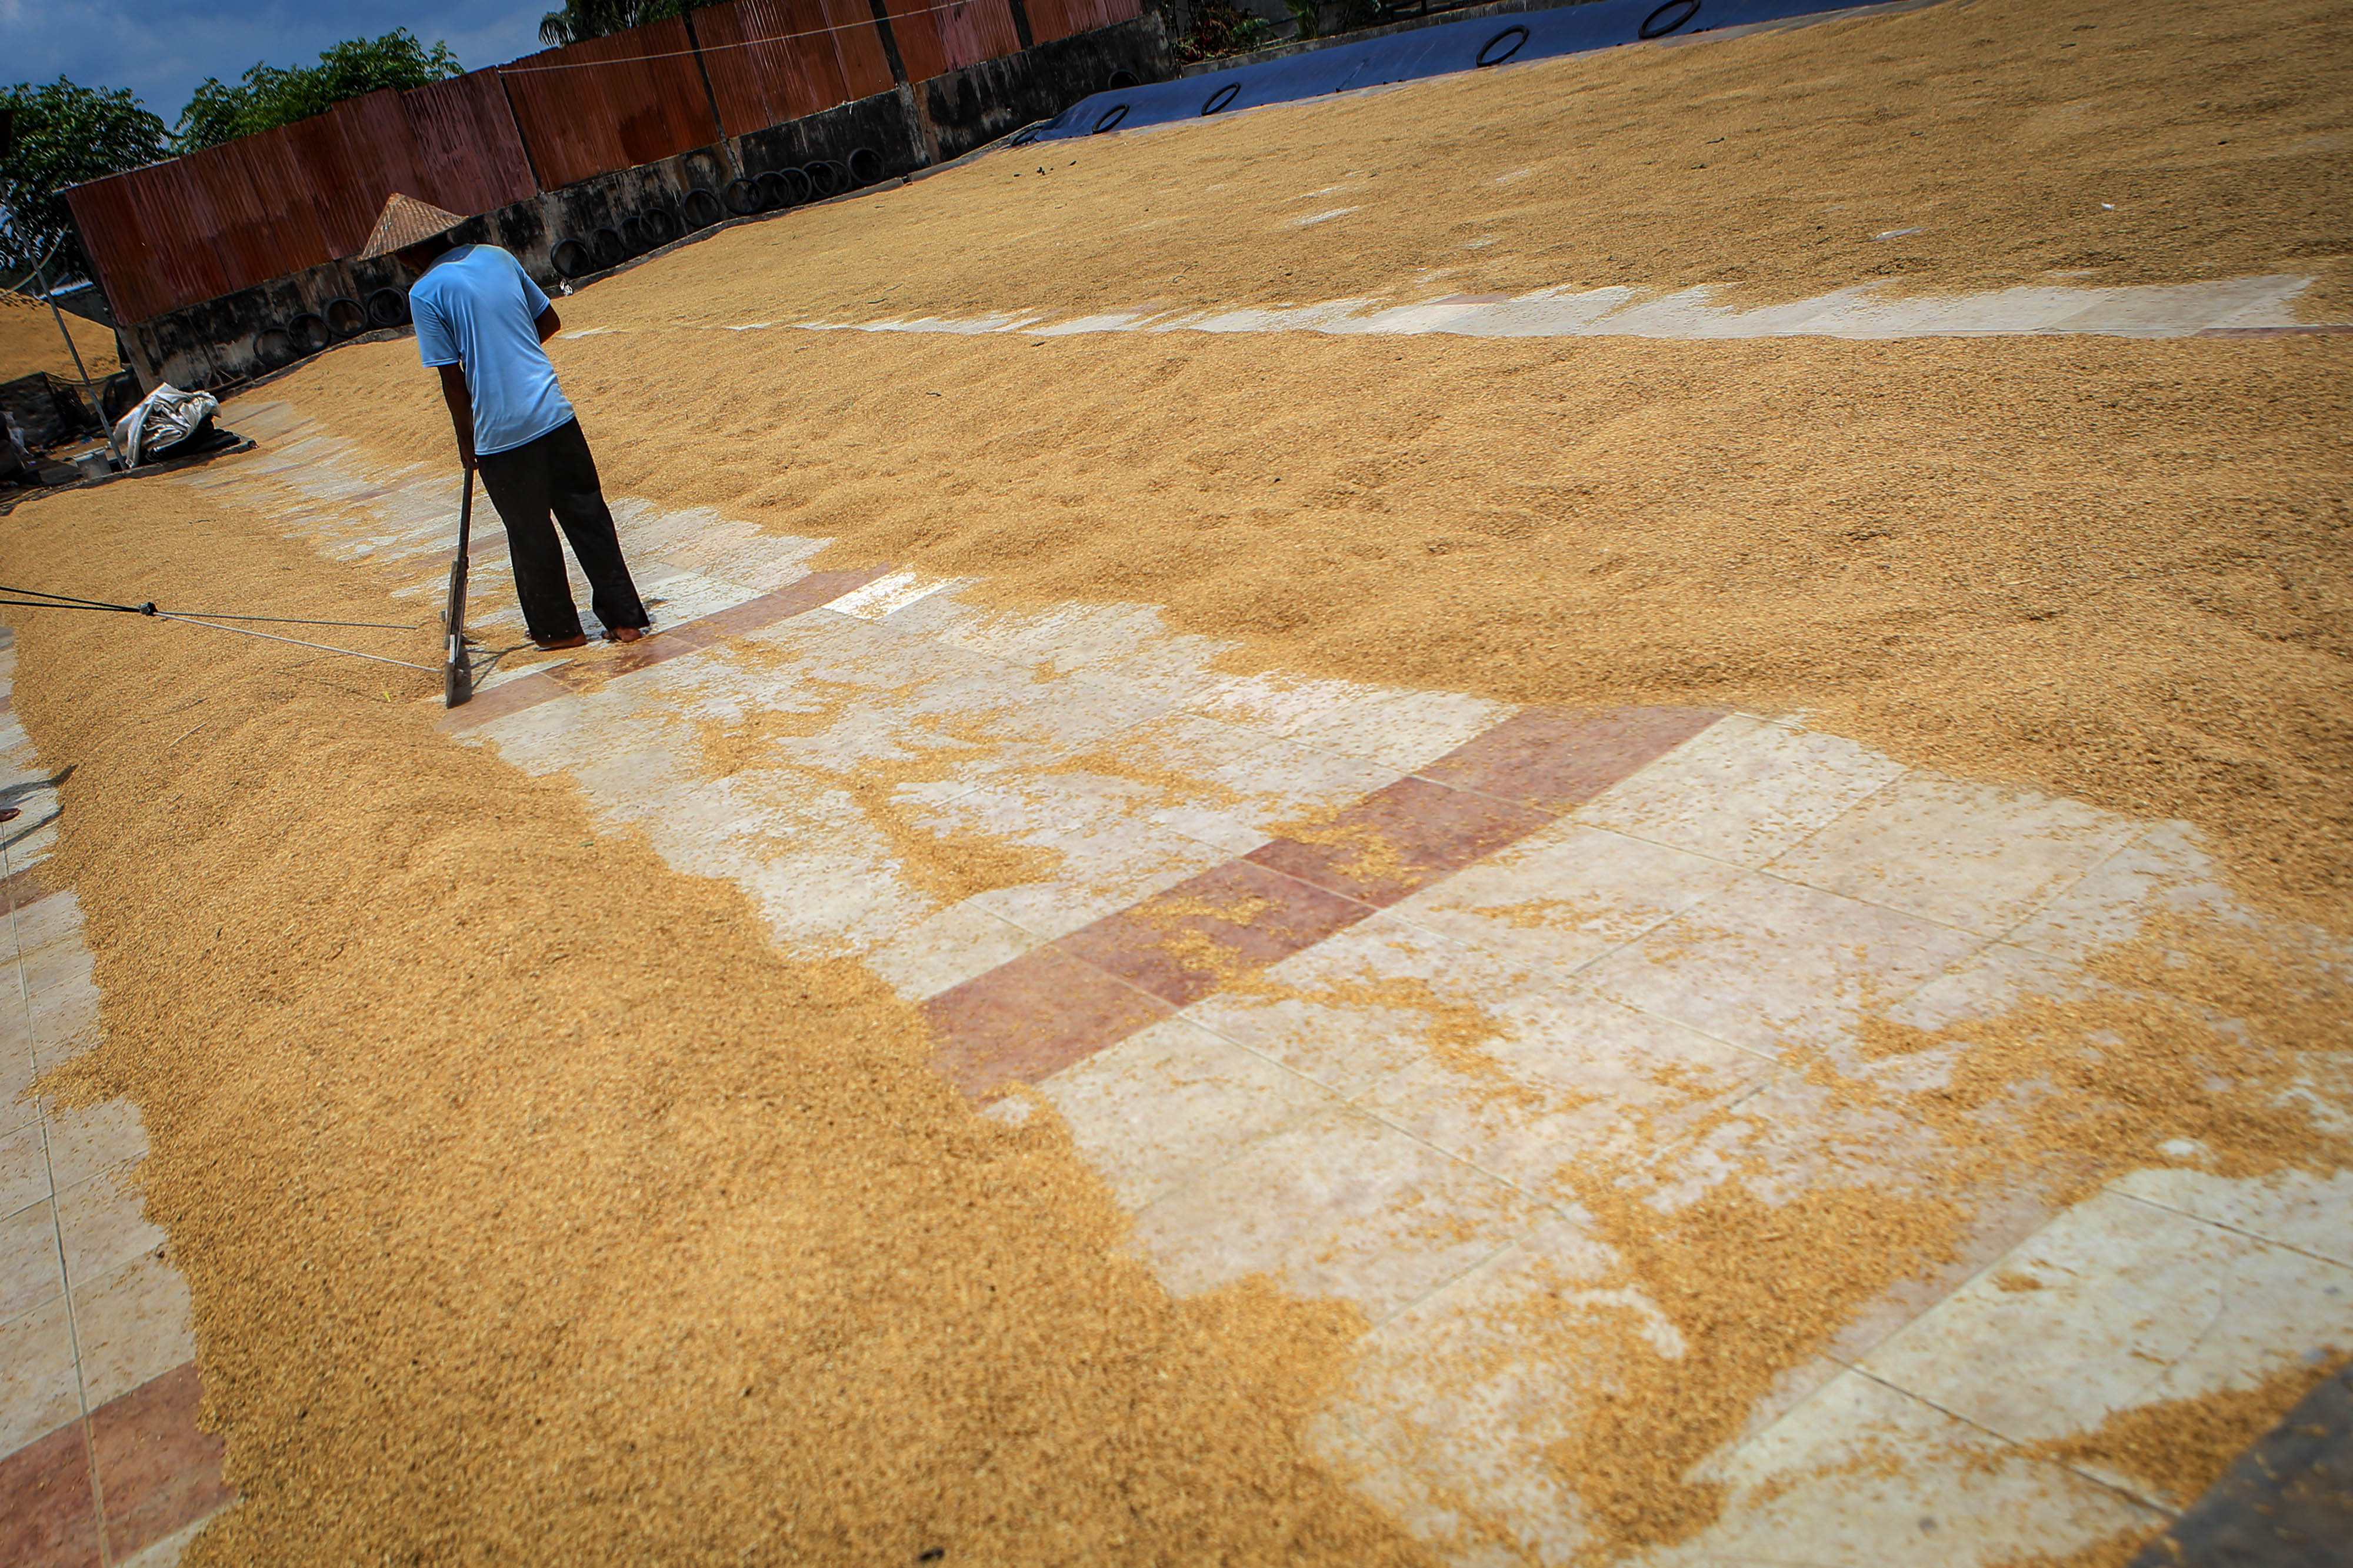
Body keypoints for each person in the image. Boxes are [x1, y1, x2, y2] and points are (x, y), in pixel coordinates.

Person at [357, 193, 649, 650]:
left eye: (399, 257)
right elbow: (548, 319)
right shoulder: (497, 256)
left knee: (530, 535)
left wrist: (466, 442)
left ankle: (560, 632)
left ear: (411, 252)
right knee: (589, 519)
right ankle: (625, 621)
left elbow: (453, 381)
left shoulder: (425, 292)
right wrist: (512, 348)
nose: (401, 264)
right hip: (554, 415)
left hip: (501, 435)